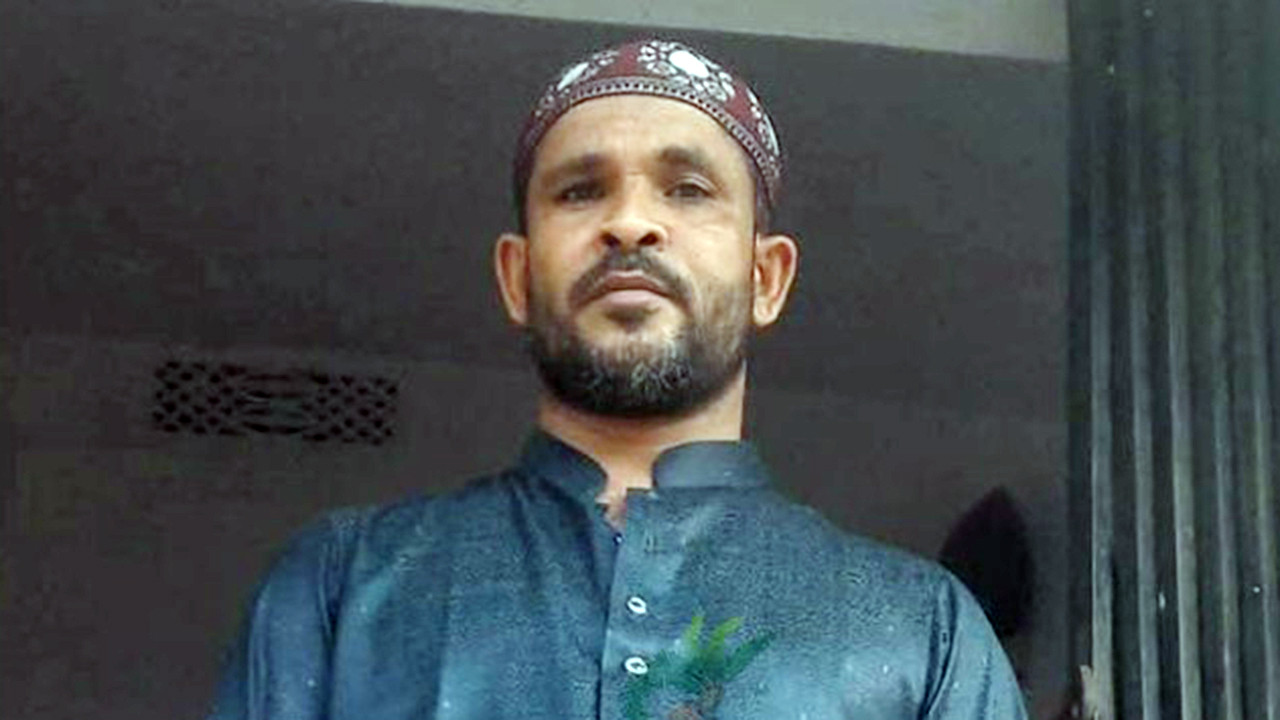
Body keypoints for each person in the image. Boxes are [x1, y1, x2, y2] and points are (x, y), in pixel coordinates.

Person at [207, 38, 1028, 720]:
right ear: (517, 277)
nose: (630, 222)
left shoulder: (923, 630)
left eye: (688, 190)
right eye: (580, 191)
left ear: (767, 278)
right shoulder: (344, 586)